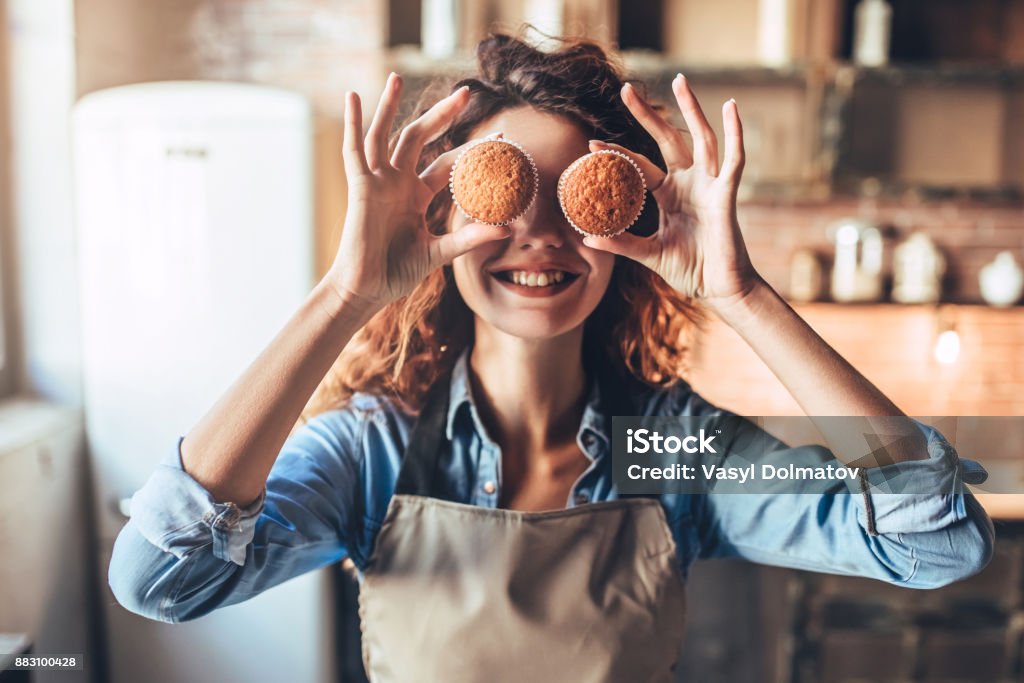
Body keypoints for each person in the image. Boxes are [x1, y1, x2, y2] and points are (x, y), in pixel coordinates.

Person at [109, 34, 994, 682]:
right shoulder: (371, 455)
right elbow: (160, 579)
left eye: (576, 201)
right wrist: (346, 295)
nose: (538, 237)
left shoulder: (670, 449)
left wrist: (742, 294)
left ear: (622, 231)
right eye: (505, 193)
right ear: (447, 221)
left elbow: (937, 541)